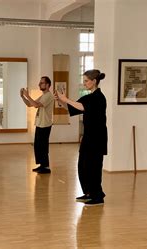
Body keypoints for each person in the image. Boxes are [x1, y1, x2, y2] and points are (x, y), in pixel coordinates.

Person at [55, 70, 107, 205]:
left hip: (97, 137)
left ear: (94, 81)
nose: (84, 83)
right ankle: (89, 192)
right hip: (88, 136)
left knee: (94, 166)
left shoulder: (98, 97)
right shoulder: (88, 97)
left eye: (86, 81)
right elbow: (74, 108)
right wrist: (62, 101)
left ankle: (97, 196)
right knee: (83, 165)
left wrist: (65, 99)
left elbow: (82, 106)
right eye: (83, 81)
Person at [20, 76, 54, 174]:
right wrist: (23, 97)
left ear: (47, 85)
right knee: (38, 146)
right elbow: (30, 104)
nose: (39, 84)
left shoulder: (48, 96)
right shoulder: (43, 95)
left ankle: (46, 167)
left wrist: (27, 95)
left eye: (42, 83)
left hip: (45, 124)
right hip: (40, 124)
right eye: (40, 83)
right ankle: (42, 165)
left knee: (42, 146)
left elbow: (35, 105)